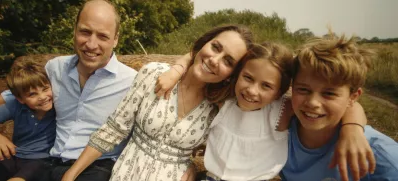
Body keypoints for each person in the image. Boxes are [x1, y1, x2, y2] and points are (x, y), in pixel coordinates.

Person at [156, 42, 373, 181]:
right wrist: (176, 70)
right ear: (237, 74)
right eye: (248, 78)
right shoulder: (225, 100)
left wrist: (352, 130)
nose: (252, 91)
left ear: (280, 91)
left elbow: (348, 104)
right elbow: (197, 56)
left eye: (266, 86)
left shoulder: (282, 109)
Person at [61, 24, 254, 181]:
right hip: (127, 174)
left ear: (232, 75)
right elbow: (114, 129)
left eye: (228, 61)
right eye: (216, 47)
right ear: (205, 43)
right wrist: (71, 175)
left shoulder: (219, 107)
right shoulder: (154, 73)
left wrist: (194, 168)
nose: (214, 60)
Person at [280, 33, 398, 180]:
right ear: (292, 87)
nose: (312, 102)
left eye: (329, 93)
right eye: (303, 90)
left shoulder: (382, 158)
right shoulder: (281, 132)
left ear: (353, 97)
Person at [42, 0, 137, 180]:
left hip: (99, 168)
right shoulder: (54, 69)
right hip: (49, 163)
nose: (91, 44)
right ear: (75, 31)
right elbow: (14, 98)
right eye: (85, 32)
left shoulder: (132, 82)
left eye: (102, 36)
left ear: (115, 39)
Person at [0, 60, 56, 181]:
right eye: (32, 94)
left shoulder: (59, 106)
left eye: (45, 89)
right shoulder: (16, 106)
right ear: (20, 99)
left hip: (43, 160)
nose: (42, 97)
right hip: (15, 154)